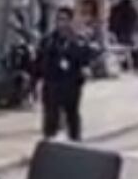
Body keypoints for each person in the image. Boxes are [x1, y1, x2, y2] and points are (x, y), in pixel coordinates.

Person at [35, 7, 95, 142]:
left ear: (70, 21)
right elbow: (40, 61)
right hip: (52, 83)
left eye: (64, 19)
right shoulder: (49, 40)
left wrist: (83, 72)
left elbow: (85, 59)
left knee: (72, 114)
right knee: (51, 114)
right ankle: (49, 140)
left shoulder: (78, 40)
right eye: (59, 19)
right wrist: (38, 79)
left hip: (71, 84)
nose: (61, 23)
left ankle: (75, 140)